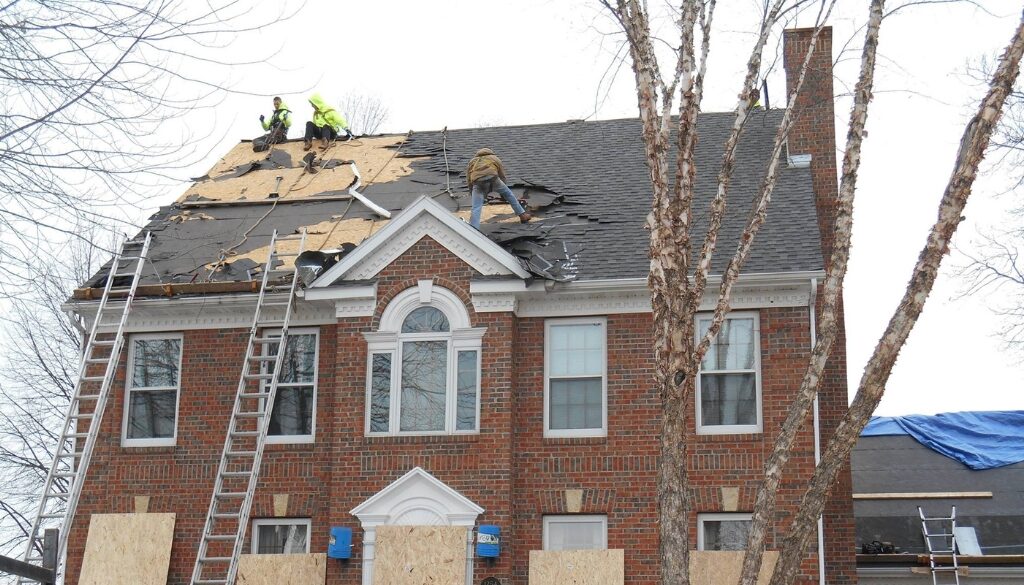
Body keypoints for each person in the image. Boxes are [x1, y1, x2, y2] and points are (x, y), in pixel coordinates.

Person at [466, 148, 532, 228]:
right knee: (509, 195)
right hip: (493, 179)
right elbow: (502, 175)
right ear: (491, 153)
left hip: (478, 182)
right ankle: (523, 216)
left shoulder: (473, 161)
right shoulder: (494, 158)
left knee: (476, 206)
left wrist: (471, 191)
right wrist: (503, 191)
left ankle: (474, 227)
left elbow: (469, 179)